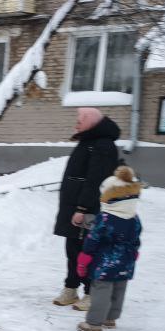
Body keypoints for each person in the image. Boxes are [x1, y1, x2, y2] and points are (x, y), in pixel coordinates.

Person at [54, 107, 120, 311]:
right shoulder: (88, 142)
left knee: (89, 251)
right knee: (73, 249)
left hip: (88, 209)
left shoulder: (103, 145)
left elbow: (95, 181)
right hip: (73, 207)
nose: (76, 123)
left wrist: (82, 207)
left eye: (80, 120)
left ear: (91, 122)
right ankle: (71, 288)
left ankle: (92, 293)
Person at [76, 165, 142, 331]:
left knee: (101, 291)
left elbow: (93, 239)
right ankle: (110, 319)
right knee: (119, 289)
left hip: (104, 262)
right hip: (126, 260)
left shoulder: (104, 218)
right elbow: (136, 238)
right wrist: (134, 253)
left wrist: (85, 257)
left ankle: (94, 323)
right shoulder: (134, 218)